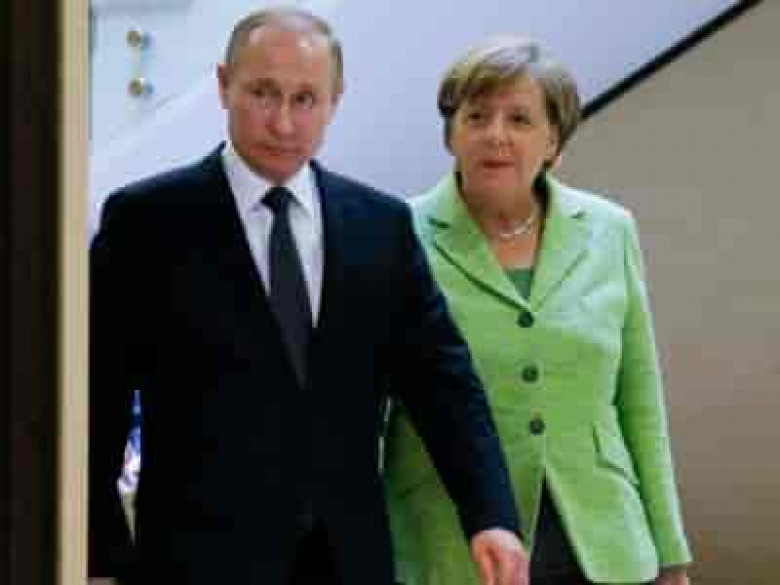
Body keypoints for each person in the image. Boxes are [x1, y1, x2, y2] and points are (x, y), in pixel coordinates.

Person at [88, 8, 530, 585]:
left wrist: (491, 515)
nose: (283, 122)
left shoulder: (381, 226)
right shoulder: (146, 222)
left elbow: (443, 385)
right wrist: (97, 554)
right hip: (197, 560)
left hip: (346, 557)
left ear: (334, 101)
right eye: (263, 93)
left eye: (305, 99)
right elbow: (97, 398)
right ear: (224, 85)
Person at [384, 36, 692, 585]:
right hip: (448, 545)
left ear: (554, 140)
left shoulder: (609, 229)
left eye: (520, 119)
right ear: (451, 133)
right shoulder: (394, 234)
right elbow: (371, 413)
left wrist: (670, 552)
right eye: (476, 116)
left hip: (604, 540)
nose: (495, 135)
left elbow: (640, 399)